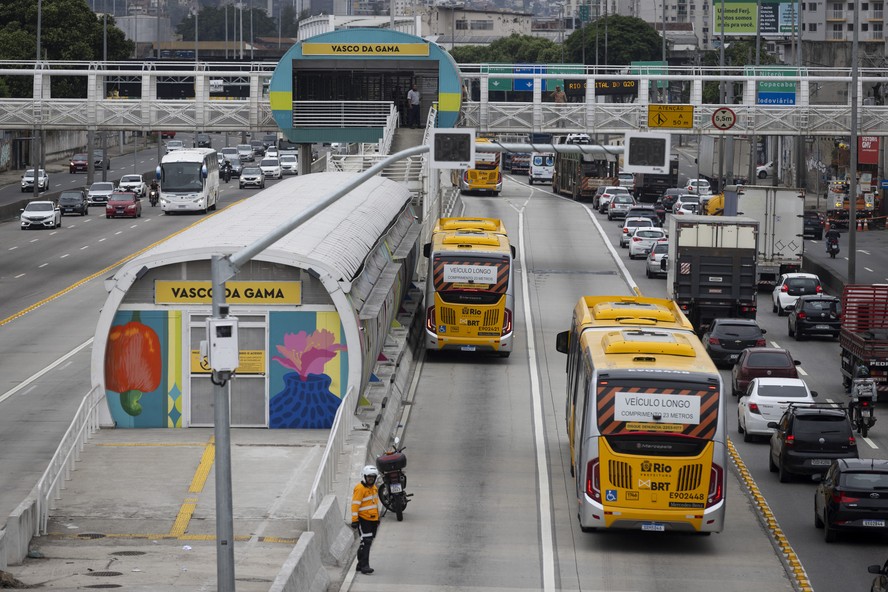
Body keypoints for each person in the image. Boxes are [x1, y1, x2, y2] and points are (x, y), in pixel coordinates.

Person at [351, 465, 380, 575]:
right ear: (364, 476)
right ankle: (364, 566)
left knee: (366, 542)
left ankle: (360, 564)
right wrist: (354, 520)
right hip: (363, 519)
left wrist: (377, 518)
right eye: (369, 477)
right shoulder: (360, 488)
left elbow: (375, 504)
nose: (370, 479)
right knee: (366, 542)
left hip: (372, 520)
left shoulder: (374, 488)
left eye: (373, 478)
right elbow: (355, 505)